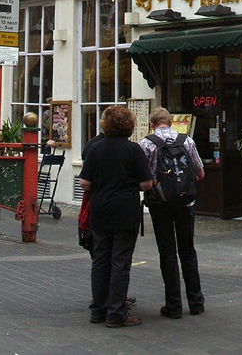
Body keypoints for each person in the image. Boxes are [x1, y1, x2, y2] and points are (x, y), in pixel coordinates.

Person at [79, 106, 152, 328]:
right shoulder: (133, 150)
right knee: (120, 261)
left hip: (100, 210)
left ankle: (98, 310)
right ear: (128, 125)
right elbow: (145, 183)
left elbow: (85, 183)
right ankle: (116, 312)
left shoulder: (95, 148)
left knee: (101, 259)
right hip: (125, 211)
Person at [139, 107, 206, 319]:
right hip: (186, 203)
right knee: (188, 251)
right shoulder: (187, 141)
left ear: (152, 124)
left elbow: (145, 180)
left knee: (167, 252)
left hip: (160, 204)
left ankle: (174, 306)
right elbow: (200, 172)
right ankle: (196, 302)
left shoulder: (147, 144)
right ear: (170, 122)